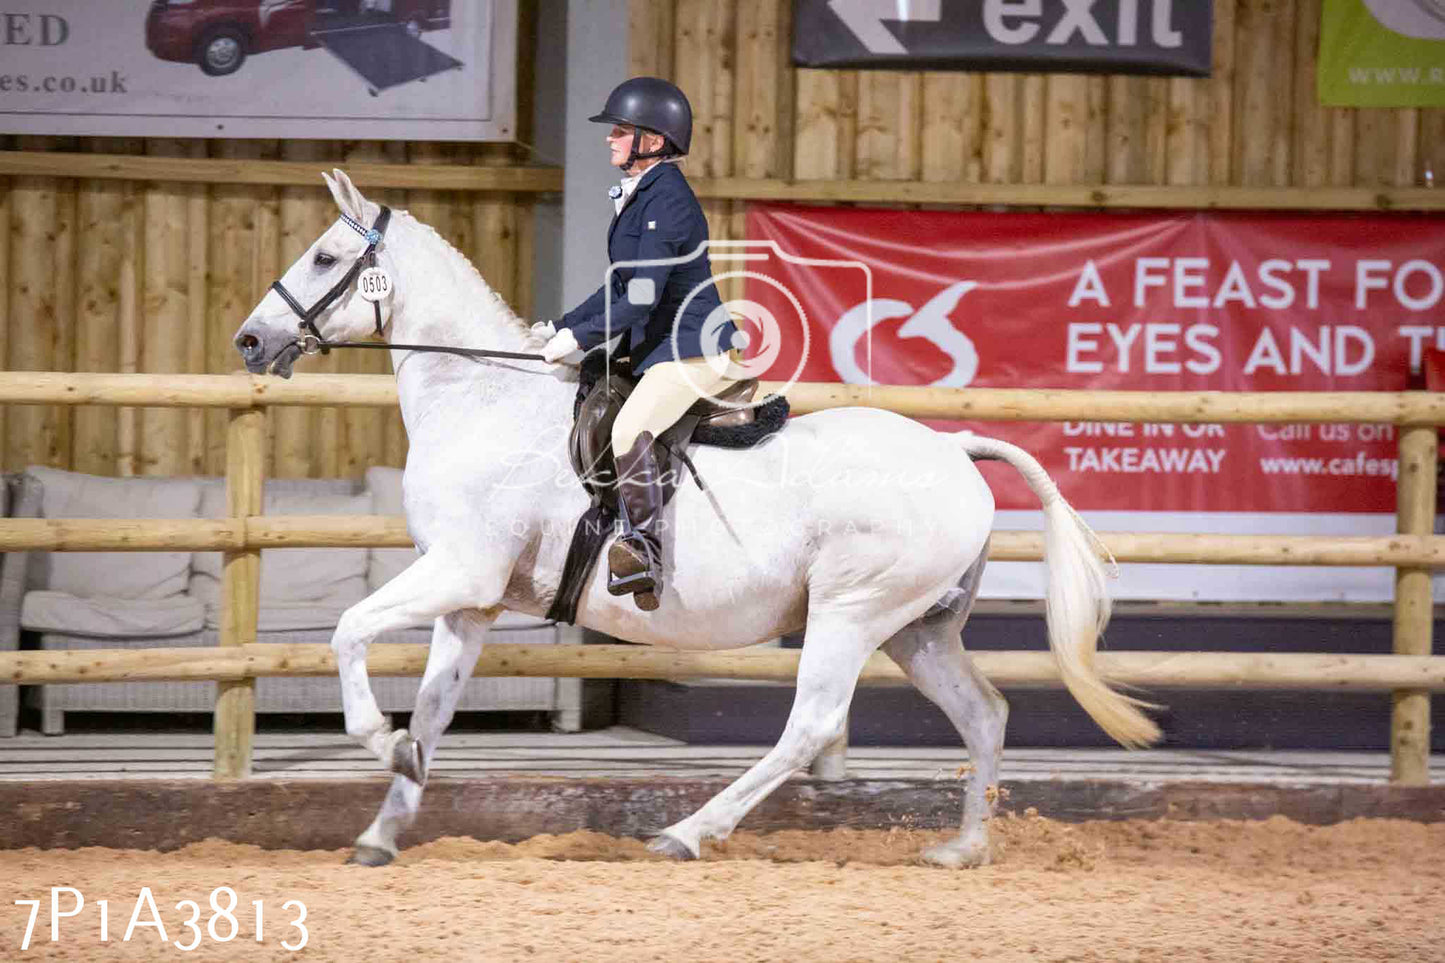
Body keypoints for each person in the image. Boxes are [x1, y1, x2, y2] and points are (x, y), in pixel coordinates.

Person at [530, 77, 742, 611]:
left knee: (630, 428)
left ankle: (643, 550)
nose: (609, 139)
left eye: (620, 131)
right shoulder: (645, 194)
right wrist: (561, 325)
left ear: (653, 139)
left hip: (693, 352)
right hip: (661, 348)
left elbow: (640, 299)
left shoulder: (666, 201)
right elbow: (619, 285)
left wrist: (579, 337)